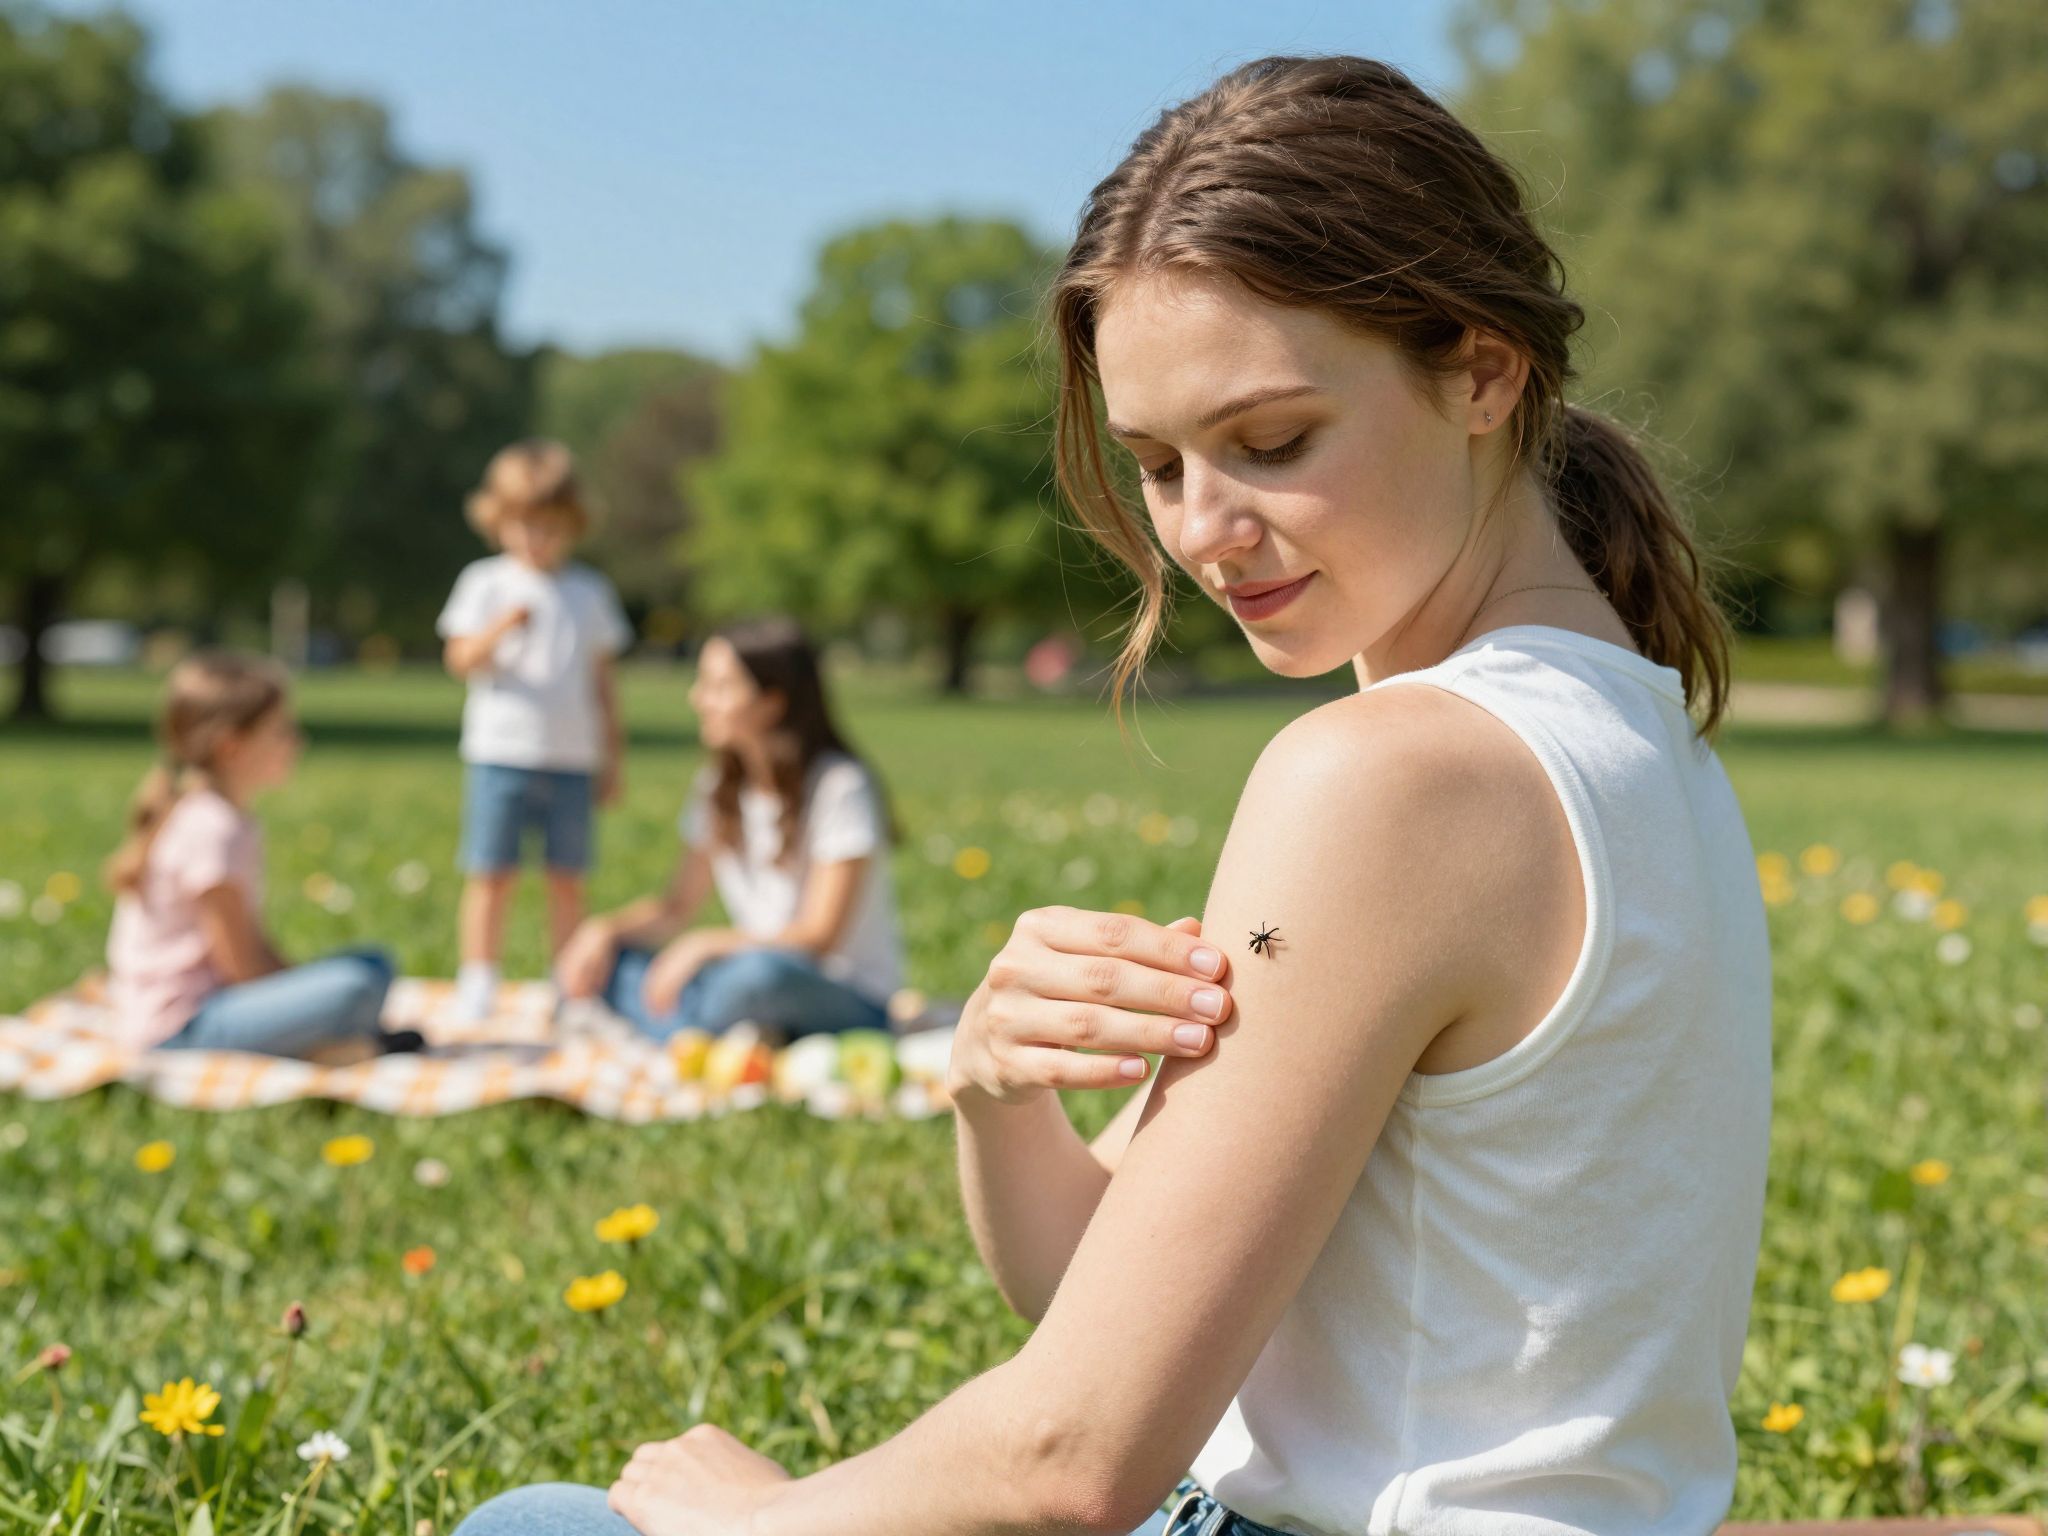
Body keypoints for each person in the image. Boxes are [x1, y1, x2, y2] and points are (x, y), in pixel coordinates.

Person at [456, 54, 1770, 1536]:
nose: (1208, 531)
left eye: (1271, 444)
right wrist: (994, 1090)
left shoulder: (1394, 776)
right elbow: (1111, 1306)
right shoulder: (1650, 740)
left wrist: (751, 1518)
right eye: (1156, 463)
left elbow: (1071, 1463)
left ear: (1478, 368)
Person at [555, 617, 901, 1041]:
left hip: (840, 994)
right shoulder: (717, 789)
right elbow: (675, 907)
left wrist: (704, 945)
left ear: (771, 702)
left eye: (719, 687)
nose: (698, 699)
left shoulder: (840, 786)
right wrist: (602, 932)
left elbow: (818, 936)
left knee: (757, 977)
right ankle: (702, 1026)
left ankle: (666, 1027)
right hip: (741, 975)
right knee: (603, 962)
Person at [104, 652, 419, 1059]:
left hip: (203, 1009)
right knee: (354, 986)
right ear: (232, 746)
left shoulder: (213, 816)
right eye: (281, 731)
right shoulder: (212, 829)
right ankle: (332, 1048)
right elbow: (240, 965)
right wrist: (303, 998)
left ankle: (330, 1039)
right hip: (180, 1031)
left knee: (372, 965)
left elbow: (250, 946)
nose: (297, 742)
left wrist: (298, 991)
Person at [439, 440, 630, 1022]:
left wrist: (611, 757)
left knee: (566, 877)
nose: (534, 539)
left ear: (572, 525)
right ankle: (479, 977)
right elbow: (459, 659)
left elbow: (602, 684)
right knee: (491, 871)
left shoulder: (589, 593)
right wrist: (498, 629)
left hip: (570, 757)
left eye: (548, 526)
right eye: (522, 525)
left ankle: (568, 985)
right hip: (501, 752)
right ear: (499, 523)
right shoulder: (485, 583)